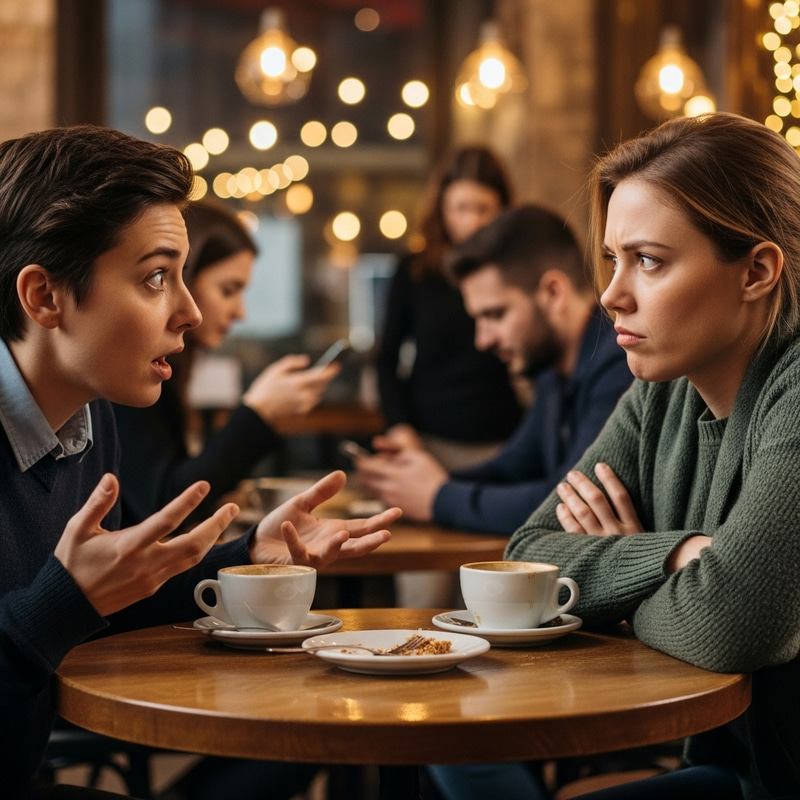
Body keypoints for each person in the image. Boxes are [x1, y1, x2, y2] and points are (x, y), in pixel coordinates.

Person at [0, 124, 400, 800]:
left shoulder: (89, 423)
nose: (189, 311)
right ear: (44, 297)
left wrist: (244, 561)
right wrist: (56, 603)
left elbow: (110, 603)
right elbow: (63, 609)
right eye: (157, 277)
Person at [506, 112, 800, 799]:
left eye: (649, 261)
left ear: (756, 271)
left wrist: (626, 598)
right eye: (613, 259)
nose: (611, 295)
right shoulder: (660, 392)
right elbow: (523, 559)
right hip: (739, 775)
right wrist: (674, 558)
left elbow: (728, 624)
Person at [357, 203, 633, 537]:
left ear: (553, 292)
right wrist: (409, 481)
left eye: (495, 315)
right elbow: (512, 467)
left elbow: (568, 503)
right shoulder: (552, 372)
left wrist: (438, 496)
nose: (482, 341)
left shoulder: (620, 363)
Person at [112, 199, 338, 528]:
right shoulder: (123, 372)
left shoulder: (167, 372)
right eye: (228, 290)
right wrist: (258, 413)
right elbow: (165, 507)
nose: (240, 312)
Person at [374, 144, 523, 469]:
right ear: (441, 208)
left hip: (505, 443)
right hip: (428, 445)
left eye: (483, 209)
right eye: (460, 208)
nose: (471, 222)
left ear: (503, 210)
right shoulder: (413, 271)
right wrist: (402, 431)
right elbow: (386, 362)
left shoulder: (517, 271)